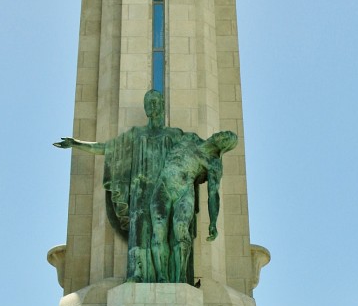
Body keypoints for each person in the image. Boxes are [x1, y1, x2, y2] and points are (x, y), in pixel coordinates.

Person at [54, 91, 182, 282]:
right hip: (140, 191)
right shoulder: (136, 135)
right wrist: (77, 144)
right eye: (148, 103)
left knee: (161, 233)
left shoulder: (174, 135)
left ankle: (164, 274)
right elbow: (107, 148)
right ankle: (138, 274)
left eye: (155, 102)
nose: (151, 106)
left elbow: (193, 155)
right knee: (139, 233)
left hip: (164, 192)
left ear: (162, 104)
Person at [149, 130, 238, 283]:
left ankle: (181, 276)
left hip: (184, 192)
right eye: (224, 133)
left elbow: (213, 194)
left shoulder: (213, 163)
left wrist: (213, 222)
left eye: (226, 138)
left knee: (181, 230)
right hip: (163, 186)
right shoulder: (191, 137)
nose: (221, 134)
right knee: (158, 230)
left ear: (224, 146)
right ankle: (161, 276)